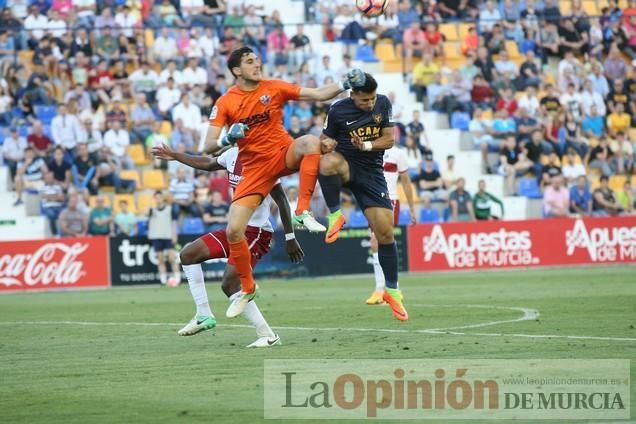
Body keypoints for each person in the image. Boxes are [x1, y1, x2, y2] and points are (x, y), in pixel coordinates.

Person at [202, 46, 362, 317]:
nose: (257, 64)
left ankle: (302, 211)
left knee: (311, 142)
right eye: (250, 61)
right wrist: (229, 139)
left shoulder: (274, 87)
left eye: (257, 59)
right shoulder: (225, 102)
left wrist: (344, 84)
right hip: (254, 171)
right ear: (236, 71)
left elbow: (318, 94)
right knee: (234, 231)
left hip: (281, 155)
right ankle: (249, 287)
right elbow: (207, 147)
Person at [152, 144, 303, 347]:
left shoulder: (264, 161)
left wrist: (290, 237)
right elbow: (207, 163)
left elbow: (282, 201)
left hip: (256, 232)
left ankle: (267, 335)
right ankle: (203, 314)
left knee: (229, 284)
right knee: (188, 255)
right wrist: (176, 155)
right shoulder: (231, 155)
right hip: (234, 228)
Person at [318, 73, 408, 321]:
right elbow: (325, 138)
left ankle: (391, 290)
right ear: (352, 94)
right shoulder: (337, 110)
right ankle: (335, 215)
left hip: (371, 173)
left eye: (371, 99)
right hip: (346, 164)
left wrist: (366, 146)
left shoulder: (383, 103)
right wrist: (326, 144)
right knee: (326, 163)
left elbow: (389, 139)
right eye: (364, 99)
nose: (369, 104)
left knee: (385, 232)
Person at [366, 145, 416, 306]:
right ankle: (384, 289)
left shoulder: (397, 154)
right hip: (372, 200)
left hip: (390, 200)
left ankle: (389, 289)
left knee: (378, 242)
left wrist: (412, 209)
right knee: (375, 245)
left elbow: (406, 183)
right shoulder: (370, 149)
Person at [147, 190, 180, 286]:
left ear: (163, 198)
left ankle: (177, 279)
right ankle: (163, 280)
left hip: (168, 236)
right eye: (156, 197)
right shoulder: (151, 210)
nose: (158, 199)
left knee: (172, 258)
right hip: (156, 236)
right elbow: (147, 218)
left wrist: (174, 234)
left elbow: (174, 223)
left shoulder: (170, 209)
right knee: (160, 259)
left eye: (159, 197)